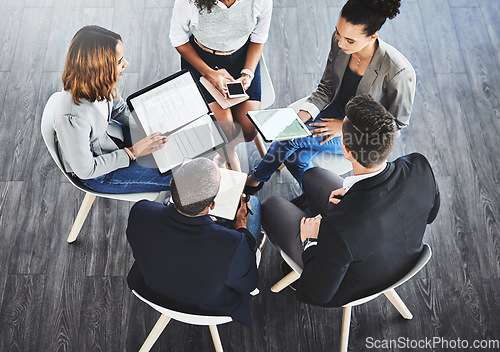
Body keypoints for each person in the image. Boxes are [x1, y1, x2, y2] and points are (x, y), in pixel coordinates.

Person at [261, 95, 440, 307]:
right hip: (403, 253)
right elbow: (431, 215)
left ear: (346, 150)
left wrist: (310, 241)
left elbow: (317, 294)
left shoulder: (340, 229)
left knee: (271, 206)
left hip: (352, 281)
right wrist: (354, 194)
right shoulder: (419, 166)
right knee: (313, 175)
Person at [245, 0, 415, 191]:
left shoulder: (398, 71)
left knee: (290, 139)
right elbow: (326, 87)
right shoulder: (340, 43)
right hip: (333, 112)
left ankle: (255, 181)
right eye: (338, 33)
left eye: (350, 40)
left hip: (362, 134)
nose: (341, 44)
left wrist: (345, 127)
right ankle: (317, 196)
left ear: (373, 36)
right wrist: (304, 113)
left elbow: (396, 126)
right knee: (297, 157)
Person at [169, 0, 273, 170]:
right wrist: (208, 73)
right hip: (202, 61)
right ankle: (228, 156)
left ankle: (227, 152)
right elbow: (178, 40)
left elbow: (258, 38)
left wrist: (248, 71)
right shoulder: (188, 1)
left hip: (241, 58)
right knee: (226, 127)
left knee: (248, 129)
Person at [126, 158, 261, 325]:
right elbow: (249, 284)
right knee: (253, 202)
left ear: (171, 183)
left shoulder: (142, 211)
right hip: (207, 308)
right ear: (212, 204)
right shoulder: (233, 243)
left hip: (150, 289)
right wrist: (241, 226)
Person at [54, 25, 171, 193]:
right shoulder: (72, 117)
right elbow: (86, 170)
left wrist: (147, 127)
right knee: (177, 176)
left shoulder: (101, 83)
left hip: (114, 142)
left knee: (173, 151)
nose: (126, 64)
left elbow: (119, 109)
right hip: (100, 173)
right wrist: (134, 151)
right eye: (119, 61)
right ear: (98, 67)